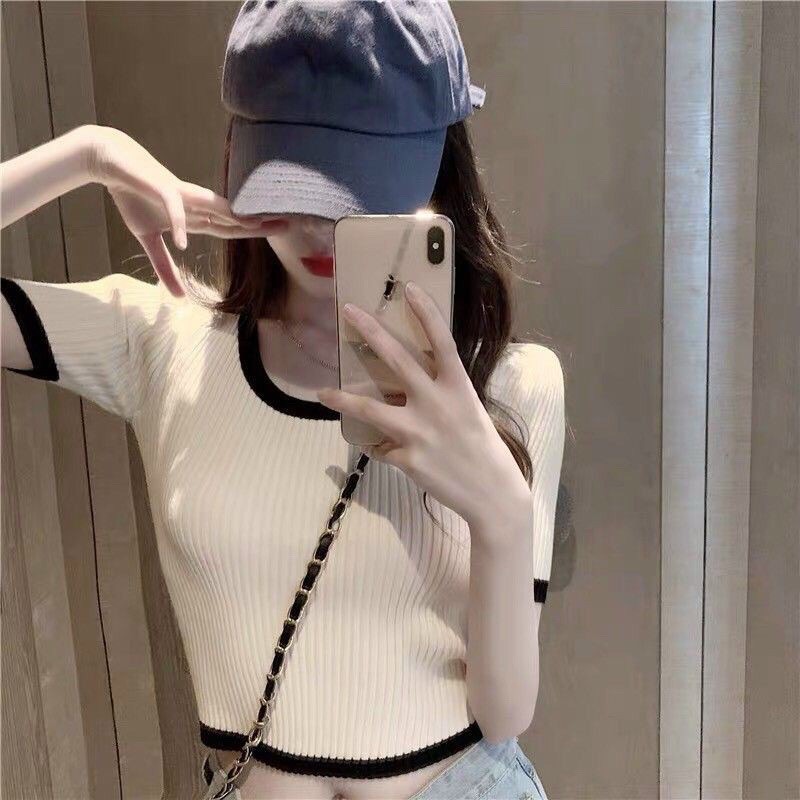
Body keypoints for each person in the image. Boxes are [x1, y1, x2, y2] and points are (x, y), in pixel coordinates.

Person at [0, 2, 563, 799]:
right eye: (295, 178)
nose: (320, 225)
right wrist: (87, 155)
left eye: (358, 184)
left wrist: (501, 513)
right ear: (240, 152)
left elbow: (503, 713)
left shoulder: (511, 383)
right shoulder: (160, 339)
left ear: (438, 161)